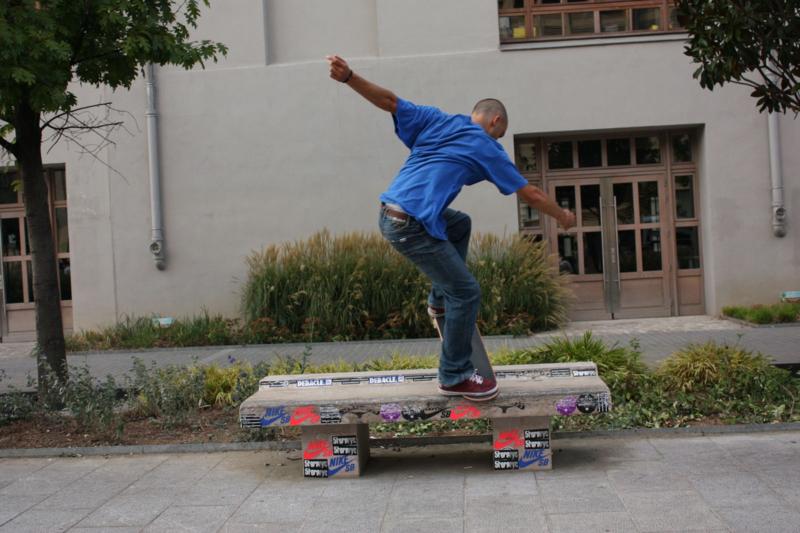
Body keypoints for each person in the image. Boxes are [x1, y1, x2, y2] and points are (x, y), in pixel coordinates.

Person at [327, 55, 576, 401]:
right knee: (468, 292)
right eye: (500, 135)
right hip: (410, 225)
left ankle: (439, 301)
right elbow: (530, 194)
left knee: (459, 224)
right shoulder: (487, 146)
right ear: (496, 121)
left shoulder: (436, 120)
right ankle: (454, 375)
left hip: (391, 213)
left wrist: (350, 77)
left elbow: (390, 102)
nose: (498, 141)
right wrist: (562, 215)